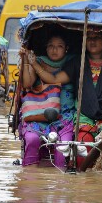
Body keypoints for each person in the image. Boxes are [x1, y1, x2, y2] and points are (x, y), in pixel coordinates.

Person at [25, 30, 102, 143]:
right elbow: (54, 79)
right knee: (82, 144)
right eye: (89, 37)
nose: (92, 41)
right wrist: (33, 63)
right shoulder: (78, 62)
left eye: (96, 37)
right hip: (85, 116)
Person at [19, 34, 75, 168]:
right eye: (51, 46)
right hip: (38, 116)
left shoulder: (72, 62)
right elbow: (27, 84)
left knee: (63, 147)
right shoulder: (37, 60)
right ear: (46, 48)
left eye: (59, 46)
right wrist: (26, 60)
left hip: (64, 117)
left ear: (66, 49)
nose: (54, 50)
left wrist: (34, 64)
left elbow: (53, 79)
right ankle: (30, 180)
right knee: (32, 140)